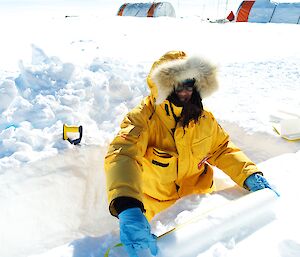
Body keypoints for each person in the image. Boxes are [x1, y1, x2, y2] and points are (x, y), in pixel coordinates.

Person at [104, 50, 278, 257]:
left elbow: (222, 149)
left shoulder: (203, 119)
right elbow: (123, 155)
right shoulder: (142, 119)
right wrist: (127, 205)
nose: (186, 92)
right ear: (163, 85)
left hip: (202, 207)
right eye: (179, 85)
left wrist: (248, 174)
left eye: (190, 84)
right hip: (158, 215)